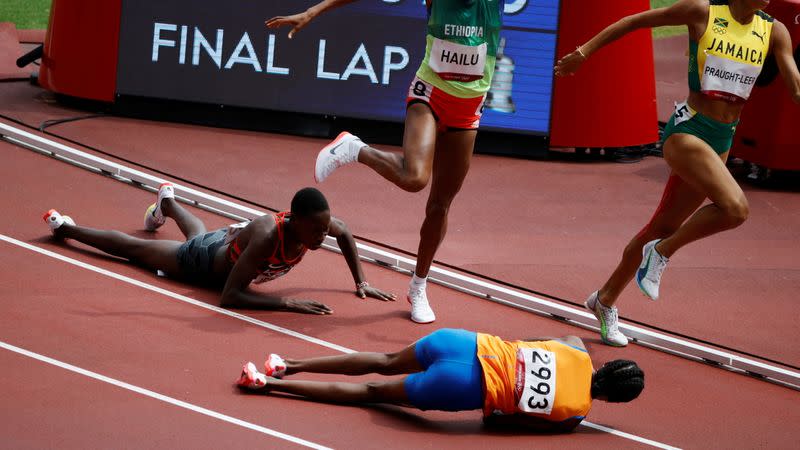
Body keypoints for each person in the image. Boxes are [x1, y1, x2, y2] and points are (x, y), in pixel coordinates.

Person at [554, 0, 800, 346]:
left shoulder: (774, 30)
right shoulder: (702, 13)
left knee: (661, 226)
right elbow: (635, 20)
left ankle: (605, 300)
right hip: (689, 131)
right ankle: (662, 252)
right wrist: (584, 51)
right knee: (735, 209)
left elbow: (794, 83)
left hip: (722, 139)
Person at [267, 0, 504, 324]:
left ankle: (418, 286)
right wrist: (313, 12)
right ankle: (354, 149)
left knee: (439, 207)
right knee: (415, 178)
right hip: (429, 95)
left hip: (468, 110)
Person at [43, 185, 395, 314]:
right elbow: (229, 296)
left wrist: (361, 282)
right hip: (200, 264)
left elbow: (346, 233)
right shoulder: (269, 238)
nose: (323, 236)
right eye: (318, 230)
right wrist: (285, 302)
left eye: (325, 229)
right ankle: (66, 228)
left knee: (198, 233)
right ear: (296, 220)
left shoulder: (318, 224)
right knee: (134, 250)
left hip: (222, 244)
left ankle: (167, 202)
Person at [236, 328, 644, 432]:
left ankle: (287, 363)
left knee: (384, 359)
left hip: (464, 343)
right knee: (371, 393)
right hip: (464, 387)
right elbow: (499, 422)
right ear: (612, 400)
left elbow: (527, 343)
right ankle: (266, 384)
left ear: (607, 366)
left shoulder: (575, 345)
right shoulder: (573, 416)